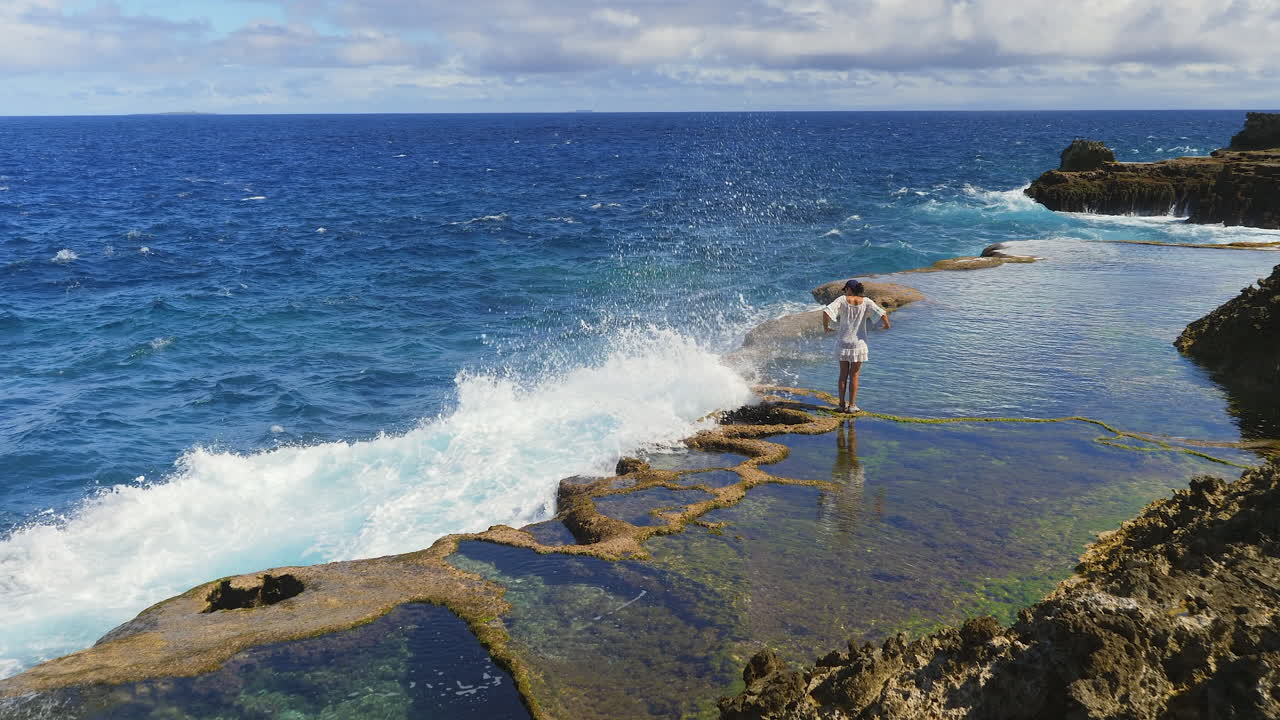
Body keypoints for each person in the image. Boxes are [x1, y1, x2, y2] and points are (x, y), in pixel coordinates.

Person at [821, 279, 889, 413]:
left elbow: (826, 312)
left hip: (843, 342)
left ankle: (841, 405)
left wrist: (826, 327)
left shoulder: (842, 300)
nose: (845, 292)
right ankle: (852, 406)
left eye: (846, 289)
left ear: (850, 289)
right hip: (859, 343)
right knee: (854, 375)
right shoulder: (867, 301)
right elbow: (882, 313)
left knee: (843, 375)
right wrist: (886, 326)